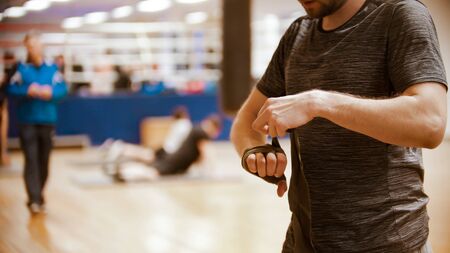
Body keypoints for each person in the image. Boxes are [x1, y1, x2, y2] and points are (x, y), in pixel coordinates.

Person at [230, 0, 447, 252]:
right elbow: (246, 120)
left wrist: (319, 102)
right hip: (303, 241)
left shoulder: (399, 14)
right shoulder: (296, 34)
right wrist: (254, 152)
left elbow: (431, 122)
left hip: (387, 242)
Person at [7, 31, 68, 215]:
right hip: (27, 122)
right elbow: (10, 89)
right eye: (29, 46)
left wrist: (51, 93)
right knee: (31, 160)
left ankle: (39, 194)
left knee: (44, 161)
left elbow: (62, 89)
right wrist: (28, 90)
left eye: (35, 45)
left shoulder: (52, 69)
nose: (33, 49)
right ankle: (33, 198)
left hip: (47, 121)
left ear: (41, 47)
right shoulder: (21, 69)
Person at [108, 115, 222, 182]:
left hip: (175, 158)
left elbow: (199, 156)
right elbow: (206, 153)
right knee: (154, 172)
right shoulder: (201, 132)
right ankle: (123, 171)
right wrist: (211, 173)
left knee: (152, 165)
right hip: (176, 160)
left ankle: (123, 169)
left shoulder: (196, 129)